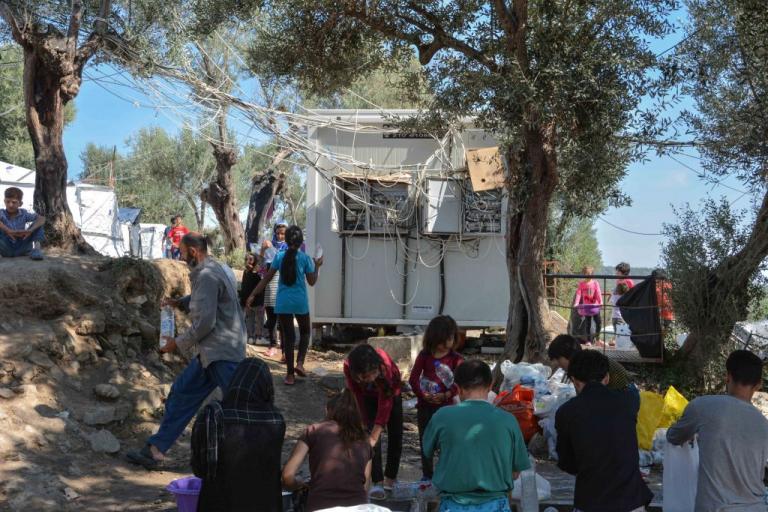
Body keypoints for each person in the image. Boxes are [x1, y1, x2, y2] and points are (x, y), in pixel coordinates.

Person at [127, 233, 246, 469]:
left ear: (193, 251)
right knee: (181, 394)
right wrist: (179, 302)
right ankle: (155, 450)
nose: (180, 257)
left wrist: (177, 343)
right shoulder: (217, 267)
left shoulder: (206, 274)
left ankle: (251, 454)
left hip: (221, 352)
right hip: (214, 352)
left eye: (181, 252)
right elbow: (207, 299)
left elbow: (205, 323)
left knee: (240, 406)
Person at [667, 350, 768, 512]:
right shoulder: (764, 424)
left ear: (727, 376)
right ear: (758, 385)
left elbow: (673, 436)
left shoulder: (703, 406)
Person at [423, 360, 530, 512]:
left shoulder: (442, 416)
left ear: (458, 389)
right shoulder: (508, 420)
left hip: (452, 505)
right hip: (496, 506)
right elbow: (515, 472)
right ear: (491, 385)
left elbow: (427, 451)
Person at [555, 351, 652, 512]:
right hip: (632, 500)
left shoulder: (567, 412)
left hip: (591, 501)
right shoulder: (627, 404)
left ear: (575, 381)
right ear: (606, 378)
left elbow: (567, 463)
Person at [191, 358, 285, 512]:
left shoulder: (213, 415)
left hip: (217, 504)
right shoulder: (276, 420)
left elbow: (200, 468)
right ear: (266, 386)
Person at [247, 226, 322, 385]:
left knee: (288, 338)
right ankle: (300, 363)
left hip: (282, 303)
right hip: (300, 302)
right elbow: (312, 281)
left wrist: (253, 294)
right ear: (301, 241)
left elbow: (266, 278)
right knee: (305, 332)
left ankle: (289, 375)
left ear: (286, 241)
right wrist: (318, 266)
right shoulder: (305, 258)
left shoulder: (279, 257)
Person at [282, 389, 373, 511]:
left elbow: (287, 476)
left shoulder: (314, 431)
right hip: (358, 507)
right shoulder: (365, 440)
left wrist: (299, 485)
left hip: (320, 506)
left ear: (327, 410)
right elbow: (365, 485)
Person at [408, 315, 464, 481]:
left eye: (449, 339)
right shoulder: (425, 356)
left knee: (446, 441)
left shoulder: (456, 359)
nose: (445, 344)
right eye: (442, 340)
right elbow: (413, 378)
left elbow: (459, 382)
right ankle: (427, 475)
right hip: (425, 406)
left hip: (446, 407)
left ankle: (445, 473)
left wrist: (447, 394)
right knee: (426, 441)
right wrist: (423, 395)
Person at [344, 344, 403, 500]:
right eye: (367, 376)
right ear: (358, 375)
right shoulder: (348, 366)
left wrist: (376, 433)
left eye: (374, 373)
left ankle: (391, 477)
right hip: (367, 397)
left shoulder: (385, 366)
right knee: (370, 438)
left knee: (395, 434)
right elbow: (356, 395)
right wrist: (363, 423)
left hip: (391, 393)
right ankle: (377, 481)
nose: (372, 378)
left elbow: (385, 403)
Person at [548, 334, 632, 391]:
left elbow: (590, 399)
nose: (559, 365)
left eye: (558, 359)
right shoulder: (580, 363)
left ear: (568, 355)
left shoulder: (586, 366)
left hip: (622, 397)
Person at [262, 223, 287, 359]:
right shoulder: (269, 245)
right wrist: (262, 250)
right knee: (271, 317)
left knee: (283, 319)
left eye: (283, 233)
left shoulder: (290, 247)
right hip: (270, 283)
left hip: (284, 284)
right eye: (278, 233)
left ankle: (284, 350)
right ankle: (272, 345)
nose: (280, 236)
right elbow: (260, 266)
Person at [0, 187, 45, 260]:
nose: (10, 205)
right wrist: (7, 230)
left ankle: (37, 250)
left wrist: (31, 230)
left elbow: (42, 219)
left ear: (20, 203)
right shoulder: (1, 213)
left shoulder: (24, 213)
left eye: (14, 202)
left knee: (38, 224)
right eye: (7, 202)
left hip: (22, 246)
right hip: (5, 247)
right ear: (4, 201)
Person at [573, 266, 603, 344]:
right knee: (588, 324)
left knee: (598, 322)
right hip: (587, 307)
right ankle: (588, 340)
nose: (588, 276)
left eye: (590, 274)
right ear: (584, 274)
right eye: (586, 274)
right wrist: (576, 302)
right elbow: (579, 293)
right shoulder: (582, 284)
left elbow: (598, 292)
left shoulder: (595, 283)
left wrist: (601, 301)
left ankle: (597, 338)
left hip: (595, 306)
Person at [239, 252, 263, 345]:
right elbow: (244, 286)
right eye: (247, 259)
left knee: (259, 320)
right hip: (248, 302)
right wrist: (244, 300)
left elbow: (260, 285)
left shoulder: (258, 272)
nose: (248, 261)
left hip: (257, 300)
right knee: (249, 319)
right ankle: (250, 337)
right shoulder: (245, 272)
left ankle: (258, 337)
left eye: (250, 259)